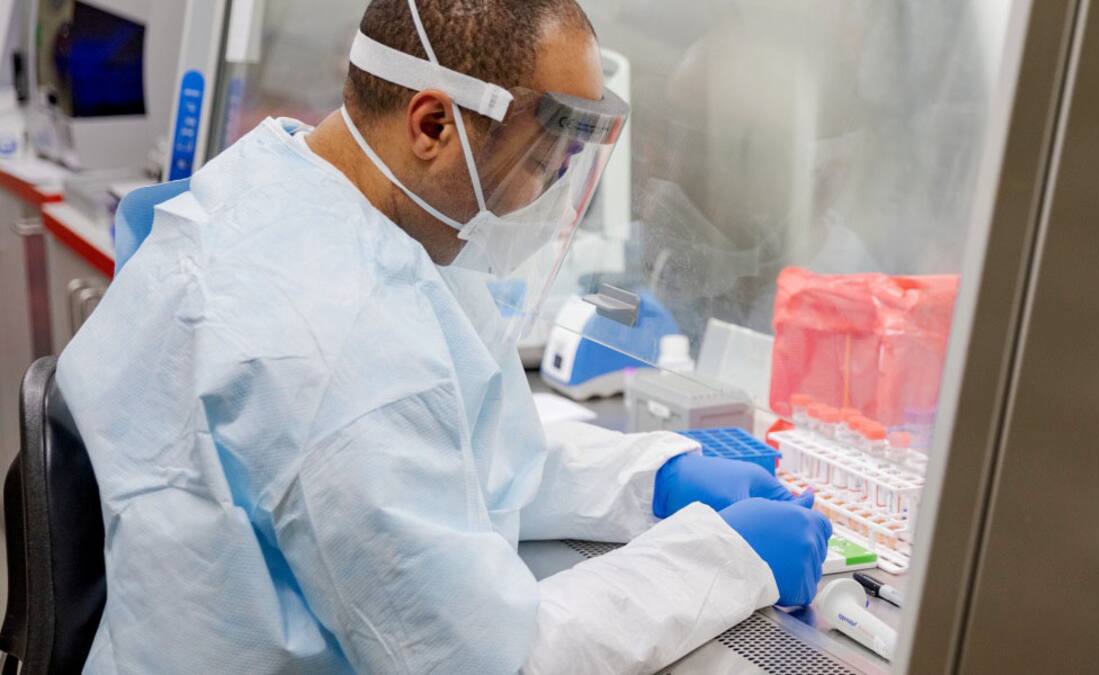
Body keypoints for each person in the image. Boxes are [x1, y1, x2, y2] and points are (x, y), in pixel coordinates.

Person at [57, 1, 831, 672]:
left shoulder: (286, 190)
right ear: (433, 125)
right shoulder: (338, 346)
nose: (549, 194)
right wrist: (726, 559)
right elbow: (493, 660)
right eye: (545, 160)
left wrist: (651, 477)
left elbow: (455, 455)